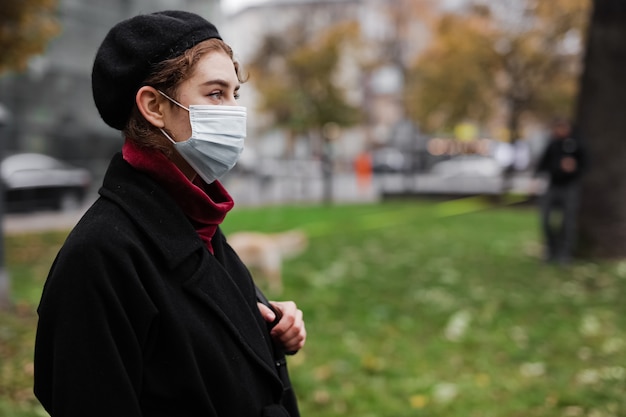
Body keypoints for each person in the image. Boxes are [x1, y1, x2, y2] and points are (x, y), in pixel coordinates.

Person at [33, 11, 306, 417]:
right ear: (154, 106)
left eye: (235, 94)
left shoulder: (197, 219)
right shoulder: (100, 257)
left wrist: (266, 327)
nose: (234, 111)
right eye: (215, 94)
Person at [533, 119, 587, 265]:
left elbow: (585, 164)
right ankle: (551, 250)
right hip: (552, 186)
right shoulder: (552, 144)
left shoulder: (577, 144)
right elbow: (542, 164)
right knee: (546, 219)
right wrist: (536, 179)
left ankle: (564, 254)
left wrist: (574, 168)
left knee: (568, 222)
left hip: (569, 187)